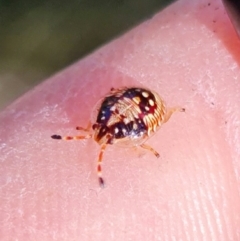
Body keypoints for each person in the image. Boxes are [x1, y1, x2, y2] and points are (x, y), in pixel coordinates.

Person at [1, 0, 239, 239]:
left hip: (145, 105)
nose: (98, 136)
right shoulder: (110, 121)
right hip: (138, 103)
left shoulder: (116, 125)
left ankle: (169, 112)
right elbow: (134, 131)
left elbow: (139, 136)